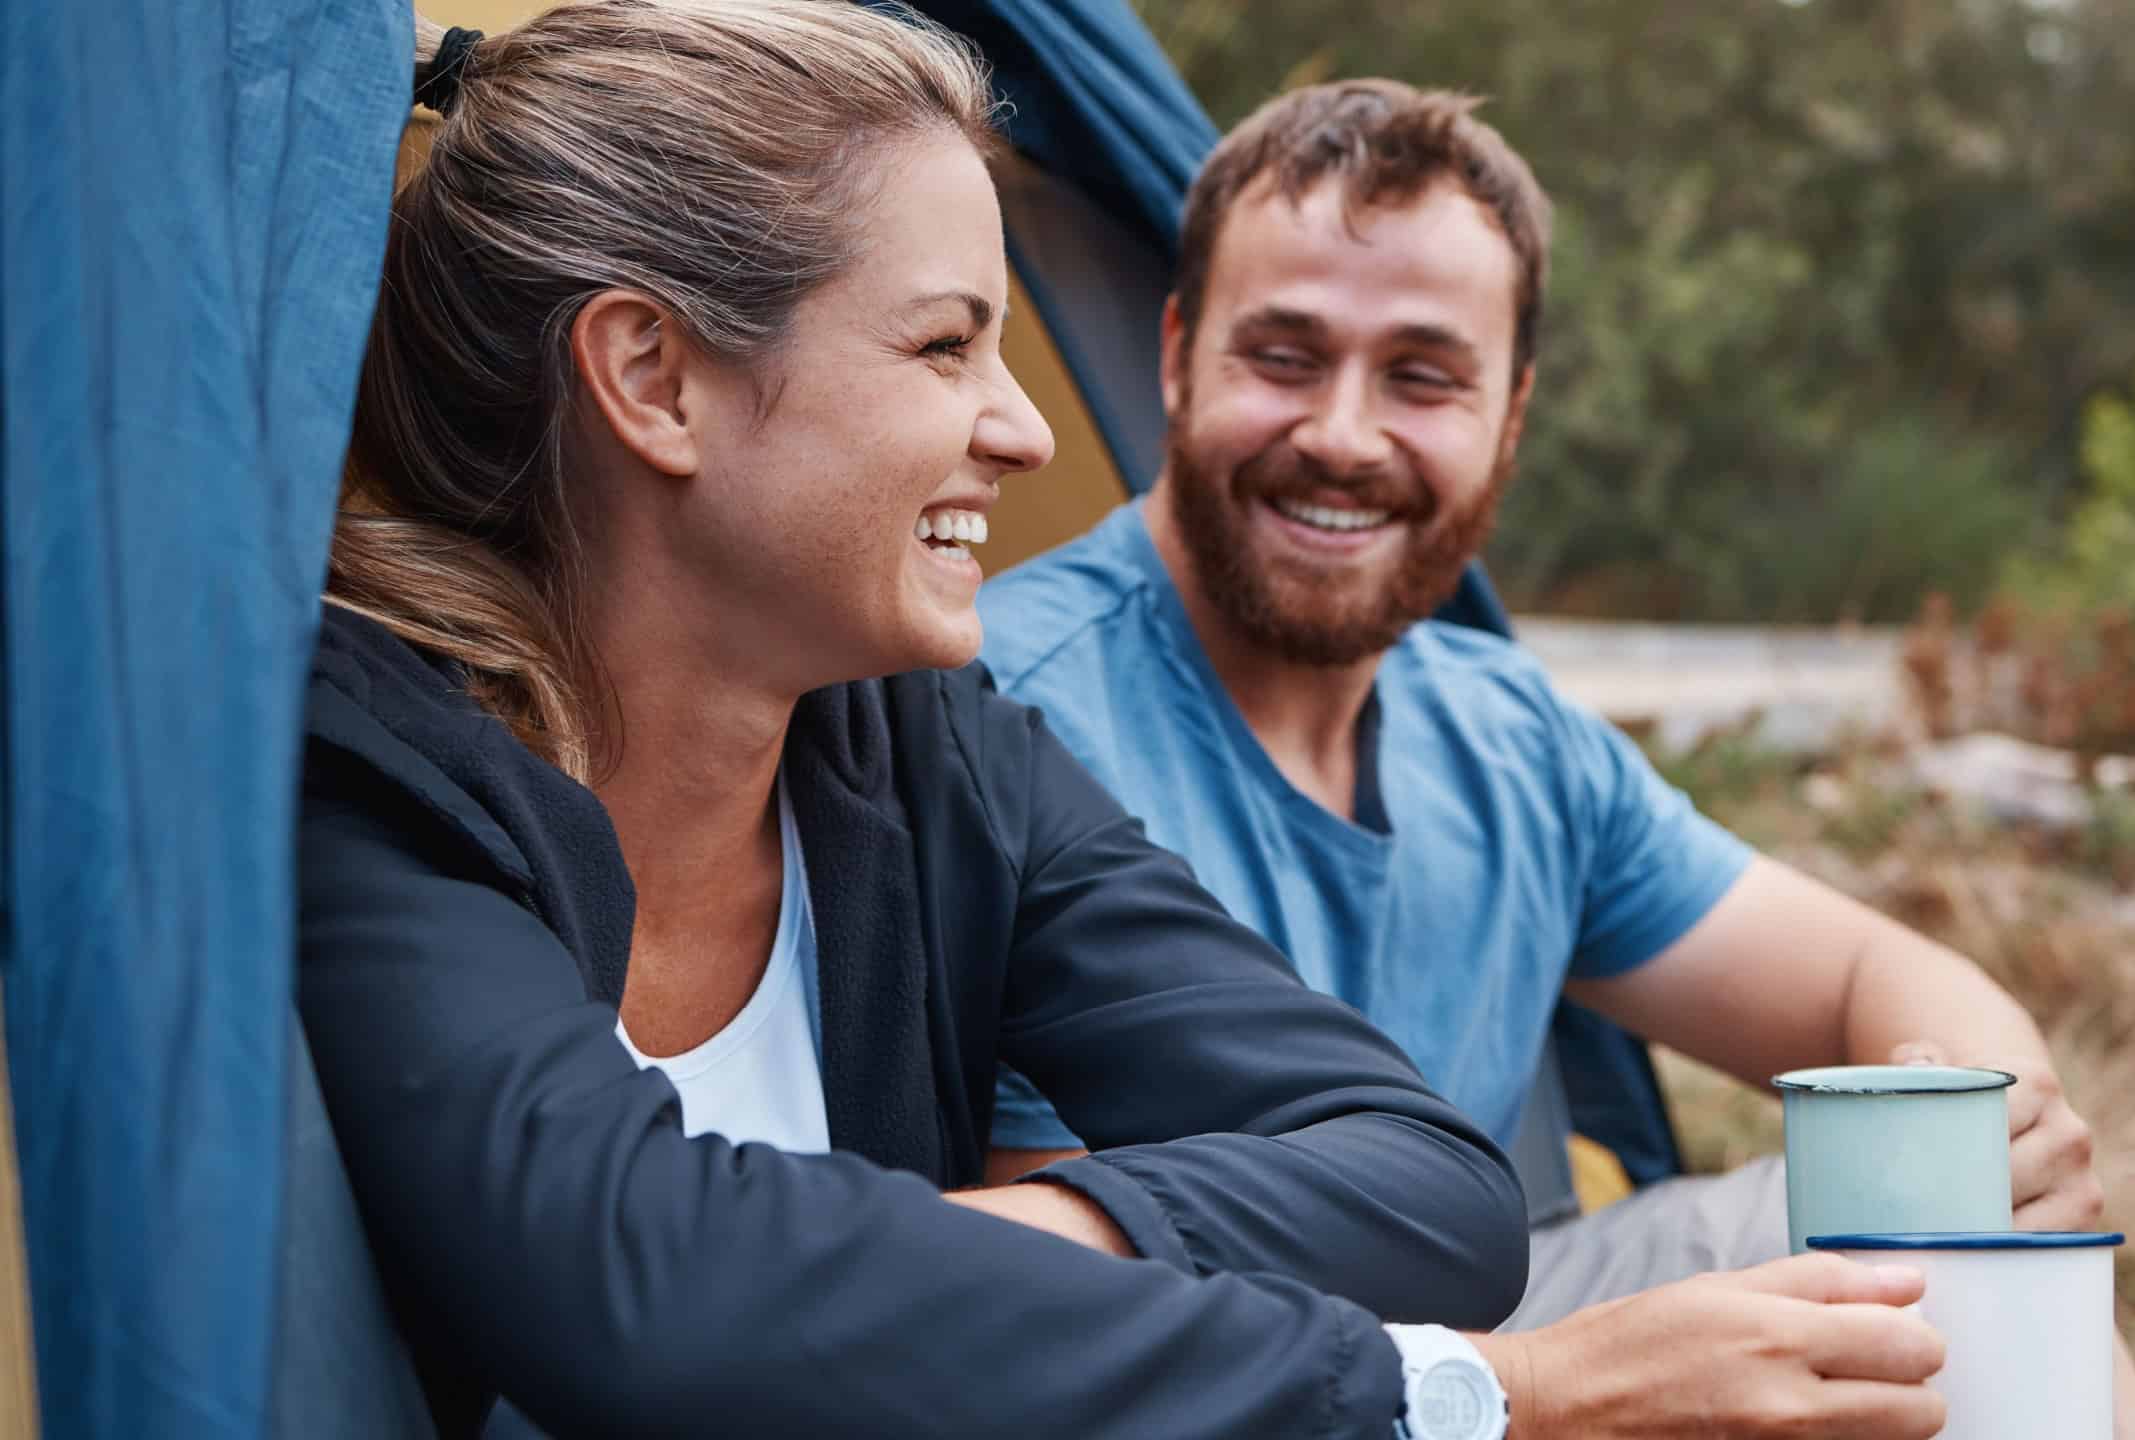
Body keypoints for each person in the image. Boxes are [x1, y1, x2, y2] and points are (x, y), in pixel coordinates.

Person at [292, 9, 1588, 1435]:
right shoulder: (369, 779)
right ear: (654, 378)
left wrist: (942, 1268)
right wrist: (1468, 1389)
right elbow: (650, 1296)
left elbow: (1434, 1187)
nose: (1025, 430)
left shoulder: (928, 753)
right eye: (943, 347)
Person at [978, 79, 2135, 1439]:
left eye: (1424, 375)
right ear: (1176, 354)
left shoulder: (1509, 736)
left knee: (1934, 1270)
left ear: (1510, 417)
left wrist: (1993, 1135)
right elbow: (1085, 1322)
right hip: (1225, 1383)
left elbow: (1864, 973)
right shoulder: (1006, 715)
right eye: (1285, 356)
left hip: (1511, 1319)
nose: (1343, 434)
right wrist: (1552, 1394)